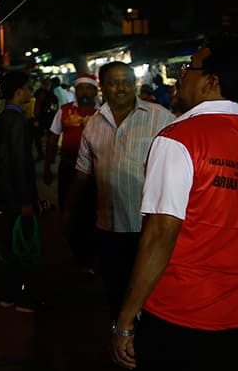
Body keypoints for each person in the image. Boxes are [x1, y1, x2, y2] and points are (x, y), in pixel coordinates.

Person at [111, 34, 238, 371]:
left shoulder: (179, 140)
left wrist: (126, 318)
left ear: (211, 82)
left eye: (189, 68)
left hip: (181, 316)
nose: (180, 77)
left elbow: (160, 236)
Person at [63, 62, 174, 320]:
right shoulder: (94, 124)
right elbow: (82, 172)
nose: (121, 87)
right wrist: (68, 209)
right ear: (103, 86)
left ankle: (145, 347)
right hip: (109, 227)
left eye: (126, 80)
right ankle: (121, 343)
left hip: (146, 226)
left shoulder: (161, 118)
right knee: (116, 291)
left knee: (149, 295)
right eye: (114, 82)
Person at [0, 71, 43, 312]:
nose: (30, 93)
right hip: (16, 196)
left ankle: (8, 294)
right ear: (19, 91)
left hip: (4, 193)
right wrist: (25, 200)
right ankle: (21, 297)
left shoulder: (3, 119)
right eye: (28, 89)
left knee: (7, 247)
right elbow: (20, 163)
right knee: (20, 249)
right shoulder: (17, 121)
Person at [43, 73, 100, 274]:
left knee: (92, 211)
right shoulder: (64, 111)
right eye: (80, 88)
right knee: (69, 210)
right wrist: (47, 165)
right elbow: (52, 138)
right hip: (69, 167)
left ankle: (89, 257)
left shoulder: (103, 113)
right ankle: (78, 252)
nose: (84, 92)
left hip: (95, 172)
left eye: (88, 88)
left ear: (94, 91)